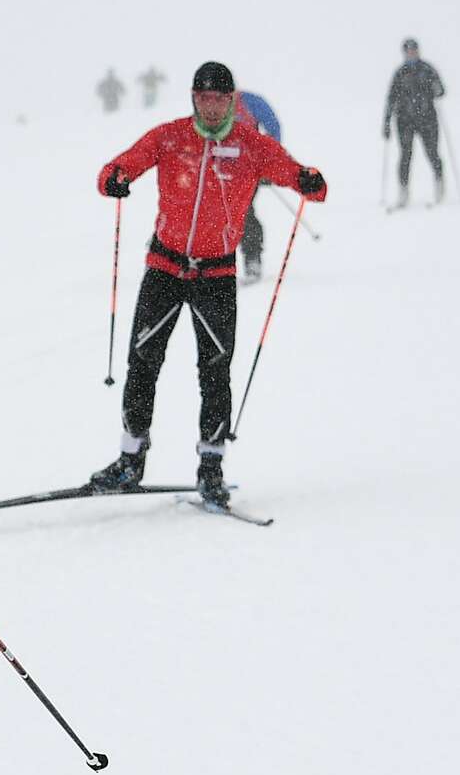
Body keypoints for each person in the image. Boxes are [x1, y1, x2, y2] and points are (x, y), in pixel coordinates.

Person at [90, 62, 327, 504]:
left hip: (216, 274)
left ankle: (211, 467)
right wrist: (115, 178)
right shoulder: (170, 136)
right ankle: (129, 460)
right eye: (204, 97)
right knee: (143, 362)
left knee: (214, 372)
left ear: (231, 101)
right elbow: (121, 166)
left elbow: (296, 175)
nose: (212, 107)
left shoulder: (251, 145)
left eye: (220, 99)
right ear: (193, 98)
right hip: (165, 266)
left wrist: (309, 181)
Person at [382, 37, 446, 207]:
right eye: (408, 51)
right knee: (405, 156)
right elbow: (391, 99)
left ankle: (440, 187)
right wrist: (387, 122)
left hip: (427, 119)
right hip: (405, 121)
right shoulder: (400, 73)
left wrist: (436, 89)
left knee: (432, 153)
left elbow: (441, 90)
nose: (411, 53)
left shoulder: (427, 69)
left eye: (414, 50)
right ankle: (403, 192)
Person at [233, 91, 283, 284]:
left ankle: (252, 258)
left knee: (243, 211)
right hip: (216, 171)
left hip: (248, 170)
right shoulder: (209, 105)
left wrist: (267, 161)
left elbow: (273, 126)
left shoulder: (249, 101)